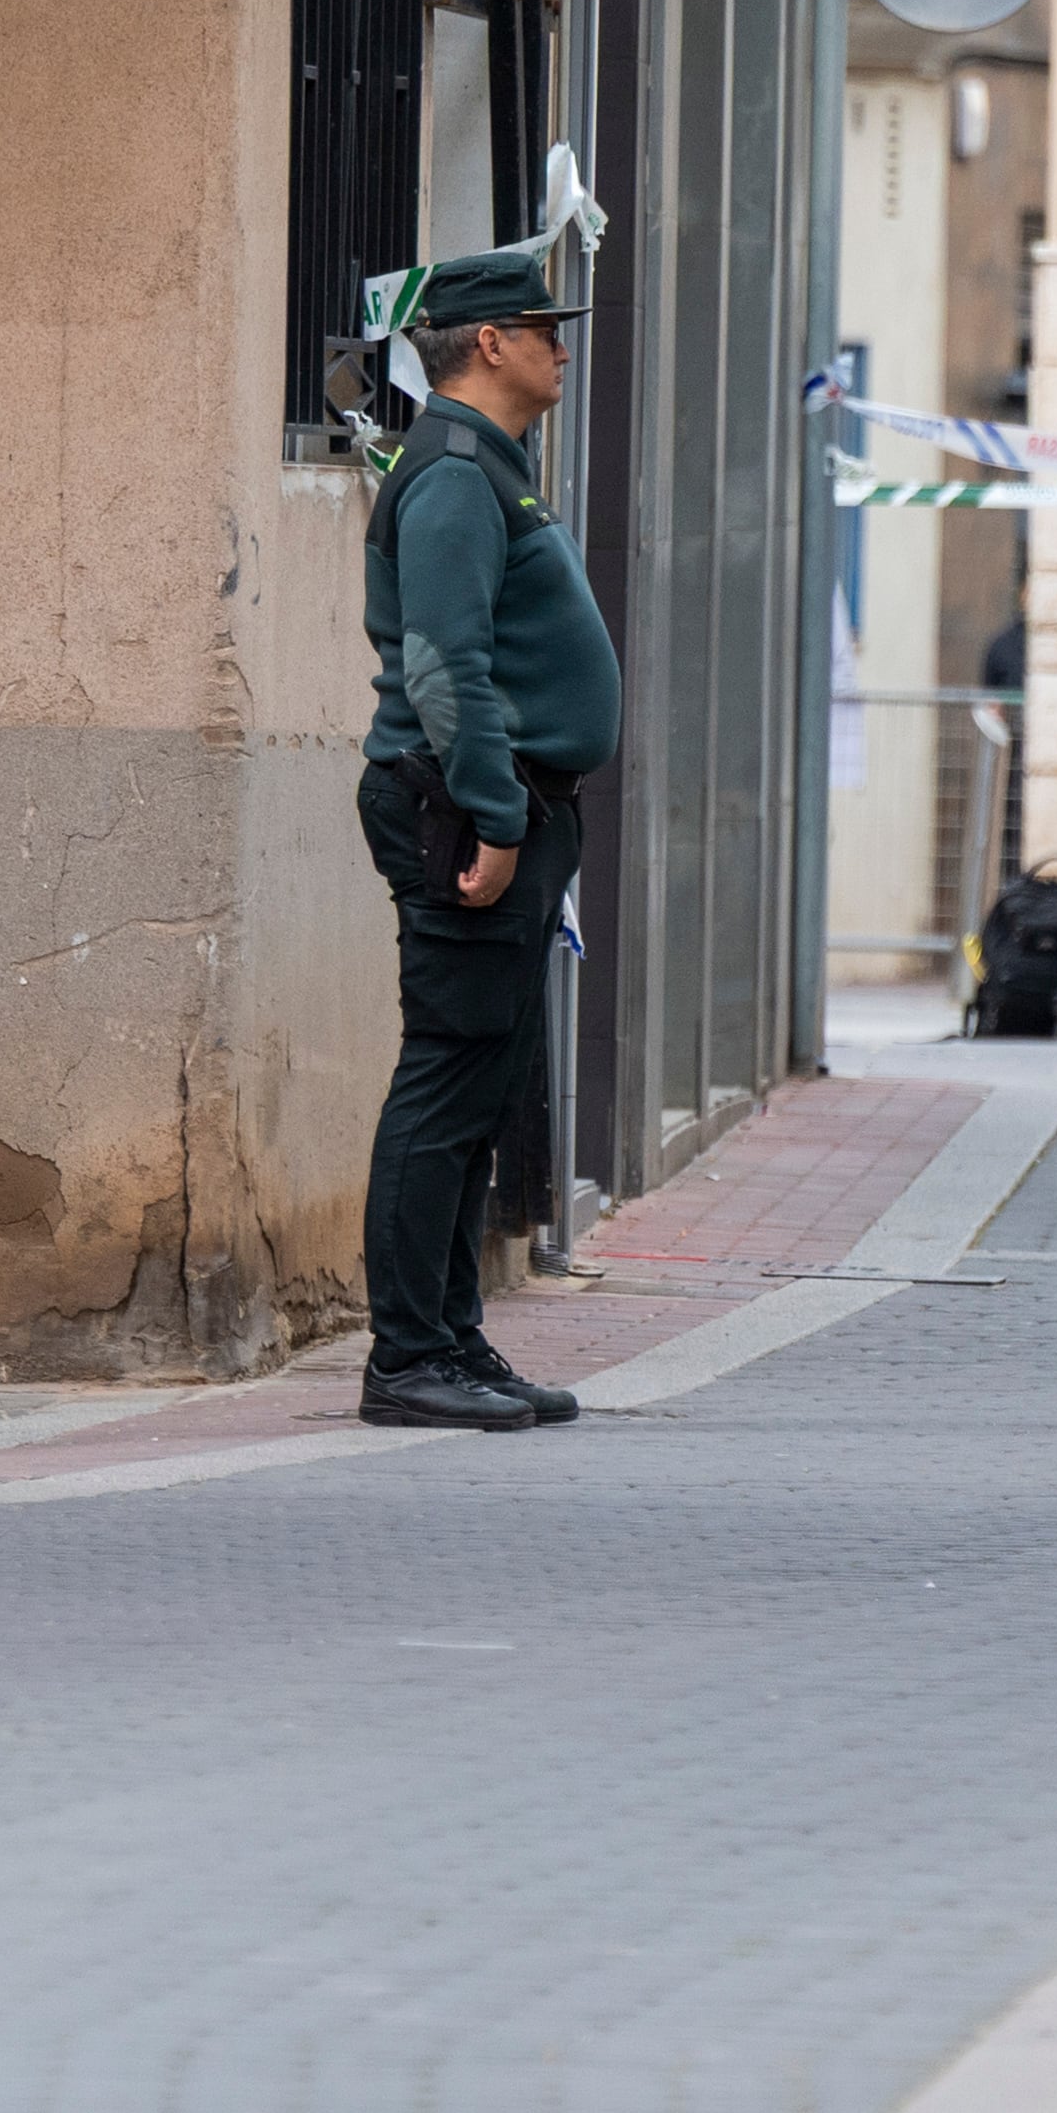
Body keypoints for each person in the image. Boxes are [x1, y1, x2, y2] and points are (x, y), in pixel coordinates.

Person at [355, 244, 615, 1432]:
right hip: (471, 807)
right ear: (490, 344)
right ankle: (408, 1357)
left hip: (504, 801)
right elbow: (443, 664)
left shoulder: (489, 464)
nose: (564, 343)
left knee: (479, 1085)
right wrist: (500, 821)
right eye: (543, 325)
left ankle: (451, 1339)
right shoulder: (458, 471)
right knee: (448, 1080)